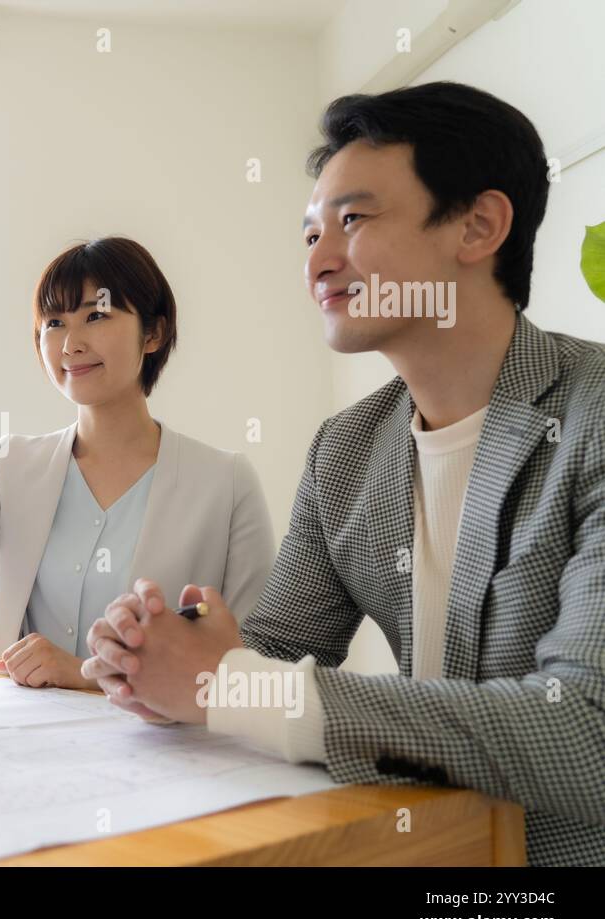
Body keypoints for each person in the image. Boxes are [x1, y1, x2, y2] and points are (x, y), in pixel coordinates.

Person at [83, 82, 605, 866]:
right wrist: (160, 660)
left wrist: (232, 686)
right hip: (425, 853)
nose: (318, 262)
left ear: (480, 225)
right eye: (309, 234)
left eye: (354, 221)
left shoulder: (592, 415)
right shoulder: (349, 448)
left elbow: (584, 735)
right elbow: (274, 647)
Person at [0, 237, 275, 689]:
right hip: (28, 746)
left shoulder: (225, 482)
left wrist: (84, 676)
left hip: (169, 752)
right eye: (54, 322)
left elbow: (254, 660)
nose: (70, 344)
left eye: (96, 315)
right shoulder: (13, 465)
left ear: (153, 333)